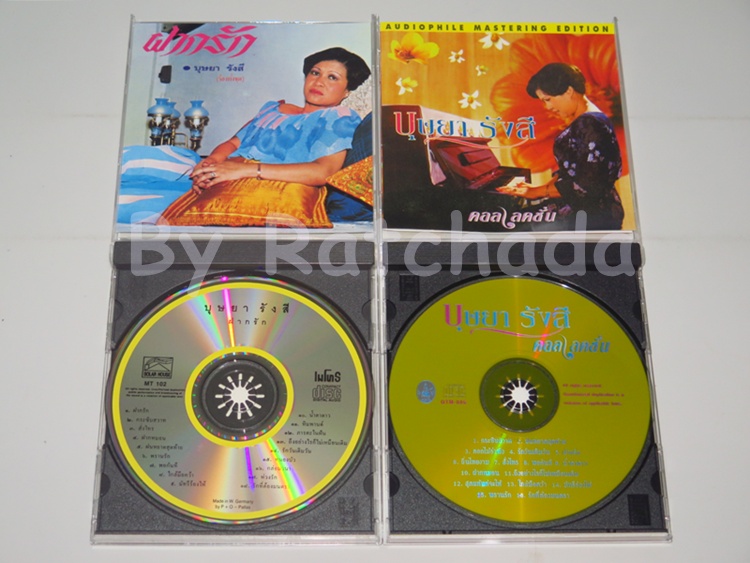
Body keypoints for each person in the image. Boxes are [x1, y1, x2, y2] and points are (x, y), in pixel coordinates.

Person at [187, 46, 370, 192]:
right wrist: (211, 162)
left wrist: (246, 170)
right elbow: (234, 143)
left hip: (268, 187)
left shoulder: (339, 117)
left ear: (347, 91)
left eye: (332, 77)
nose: (319, 82)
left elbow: (323, 172)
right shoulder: (272, 108)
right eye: (315, 73)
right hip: (225, 175)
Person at [498, 63, 624, 231]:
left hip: (590, 215)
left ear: (569, 91)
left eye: (548, 99)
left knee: (507, 223)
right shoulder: (588, 119)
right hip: (589, 208)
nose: (548, 107)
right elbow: (573, 171)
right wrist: (536, 189)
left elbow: (587, 184)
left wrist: (538, 192)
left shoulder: (589, 123)